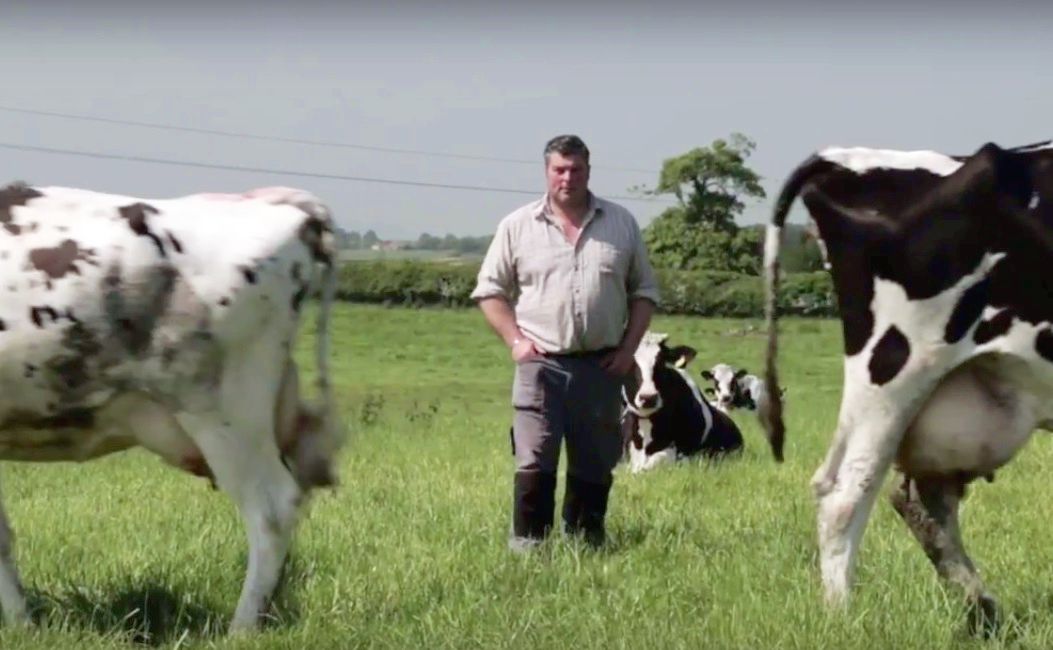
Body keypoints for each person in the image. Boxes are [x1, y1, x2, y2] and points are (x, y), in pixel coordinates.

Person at [471, 134, 659, 551]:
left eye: (575, 169)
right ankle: (529, 550)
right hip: (541, 366)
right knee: (535, 458)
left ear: (589, 171)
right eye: (560, 169)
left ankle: (586, 545)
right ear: (547, 172)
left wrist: (628, 350)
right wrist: (516, 342)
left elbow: (644, 292)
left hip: (602, 366)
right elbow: (489, 292)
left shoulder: (621, 223)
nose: (568, 178)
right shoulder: (517, 226)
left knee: (595, 461)